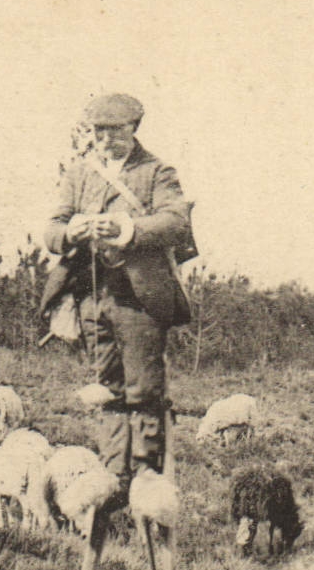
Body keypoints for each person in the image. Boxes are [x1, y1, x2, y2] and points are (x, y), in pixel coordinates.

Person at [40, 93, 198, 491]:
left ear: (133, 129)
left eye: (115, 132)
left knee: (144, 391)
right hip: (92, 298)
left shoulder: (157, 171)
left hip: (140, 300)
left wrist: (126, 229)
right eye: (98, 132)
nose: (105, 140)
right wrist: (71, 231)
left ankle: (145, 477)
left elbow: (176, 221)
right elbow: (52, 229)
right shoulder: (79, 173)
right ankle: (114, 477)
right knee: (107, 391)